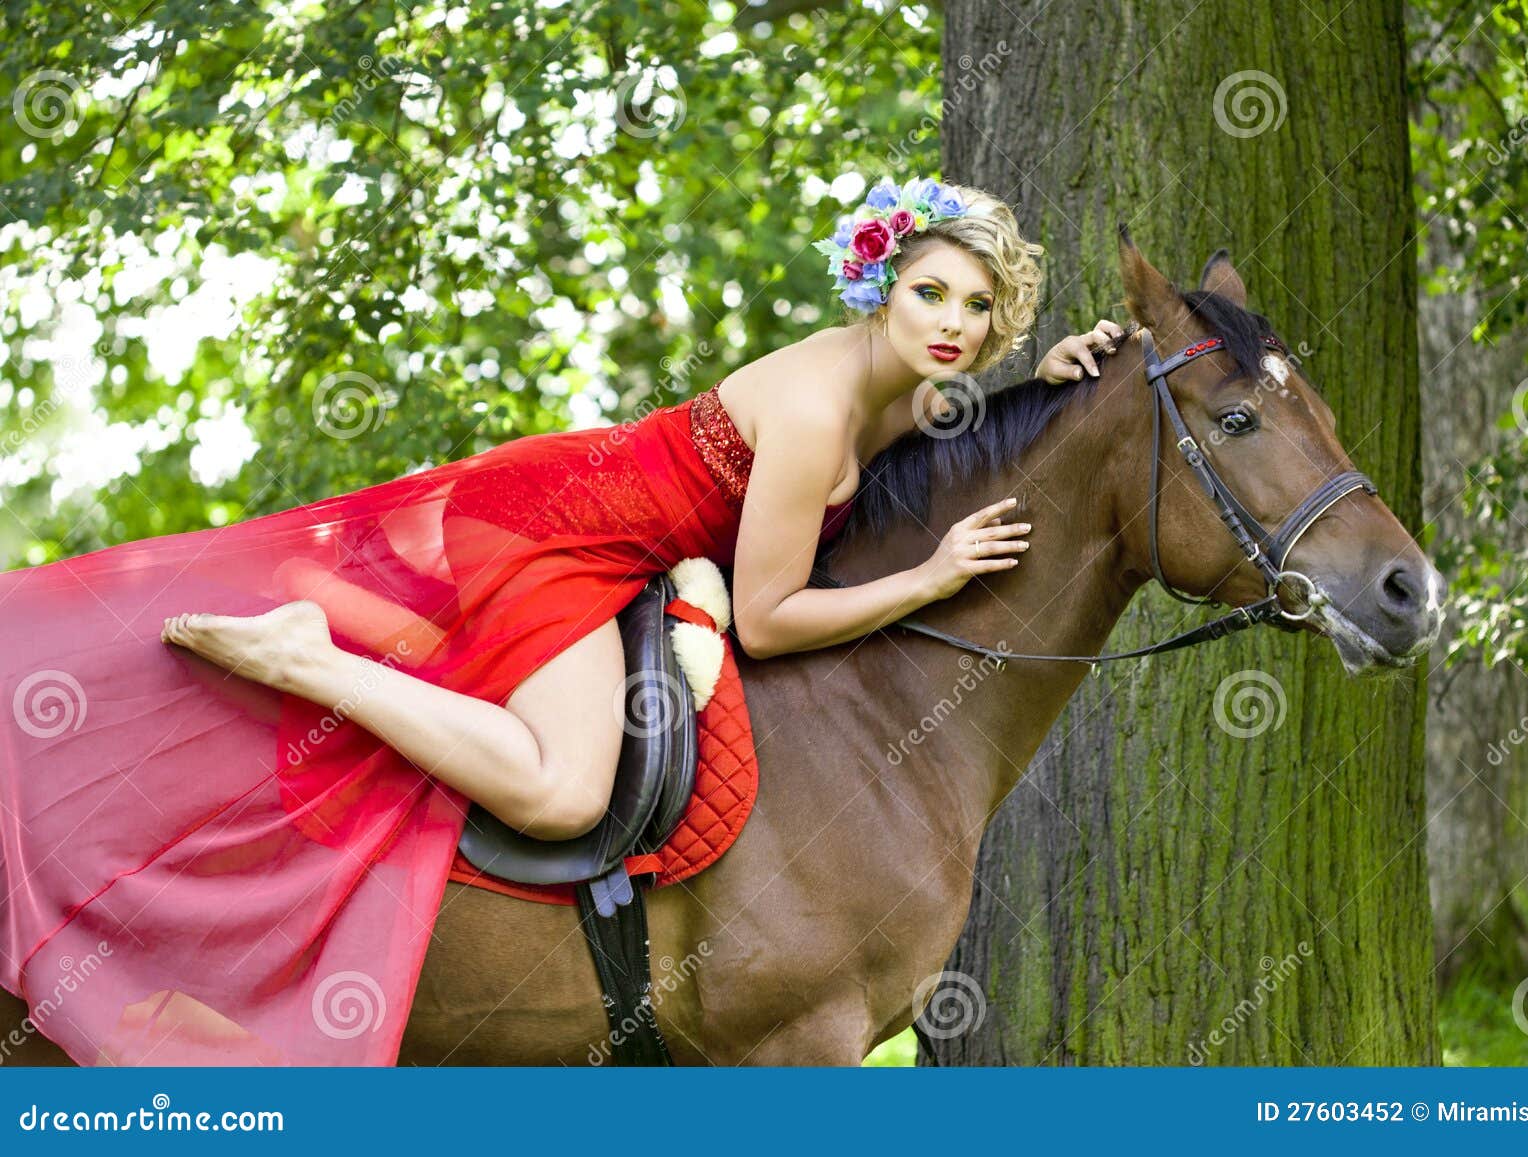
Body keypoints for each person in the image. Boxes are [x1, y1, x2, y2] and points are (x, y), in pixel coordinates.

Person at [0, 174, 1120, 1064]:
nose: (953, 324)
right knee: (561, 787)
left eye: (979, 309)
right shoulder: (821, 413)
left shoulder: (896, 382)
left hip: (607, 532)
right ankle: (314, 662)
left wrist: (1058, 373)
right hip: (554, 534)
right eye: (930, 292)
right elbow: (773, 621)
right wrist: (930, 579)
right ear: (881, 288)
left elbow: (938, 413)